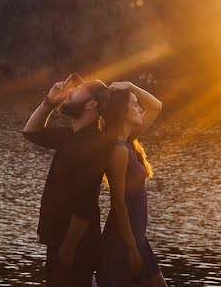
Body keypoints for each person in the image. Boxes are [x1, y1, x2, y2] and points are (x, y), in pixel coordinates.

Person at [22, 75, 112, 287]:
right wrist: (50, 102)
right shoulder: (71, 136)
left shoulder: (93, 144)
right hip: (59, 240)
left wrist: (67, 250)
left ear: (92, 104)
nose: (70, 91)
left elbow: (86, 205)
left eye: (79, 90)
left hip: (75, 247)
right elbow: (31, 132)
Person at [96, 81, 167, 287]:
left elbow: (156, 106)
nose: (140, 108)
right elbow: (117, 202)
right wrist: (131, 248)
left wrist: (130, 86)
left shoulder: (127, 140)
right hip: (122, 243)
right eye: (135, 104)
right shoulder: (118, 149)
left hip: (138, 238)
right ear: (122, 111)